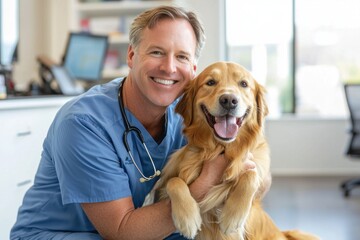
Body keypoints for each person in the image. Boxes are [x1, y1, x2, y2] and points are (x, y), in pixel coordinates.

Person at [10, 6, 231, 240]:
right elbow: (122, 231)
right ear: (131, 56)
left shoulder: (191, 113)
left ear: (193, 69)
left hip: (144, 227)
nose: (169, 67)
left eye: (182, 56)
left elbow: (253, 171)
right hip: (65, 234)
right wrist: (206, 183)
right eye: (156, 52)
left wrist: (247, 174)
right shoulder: (83, 123)